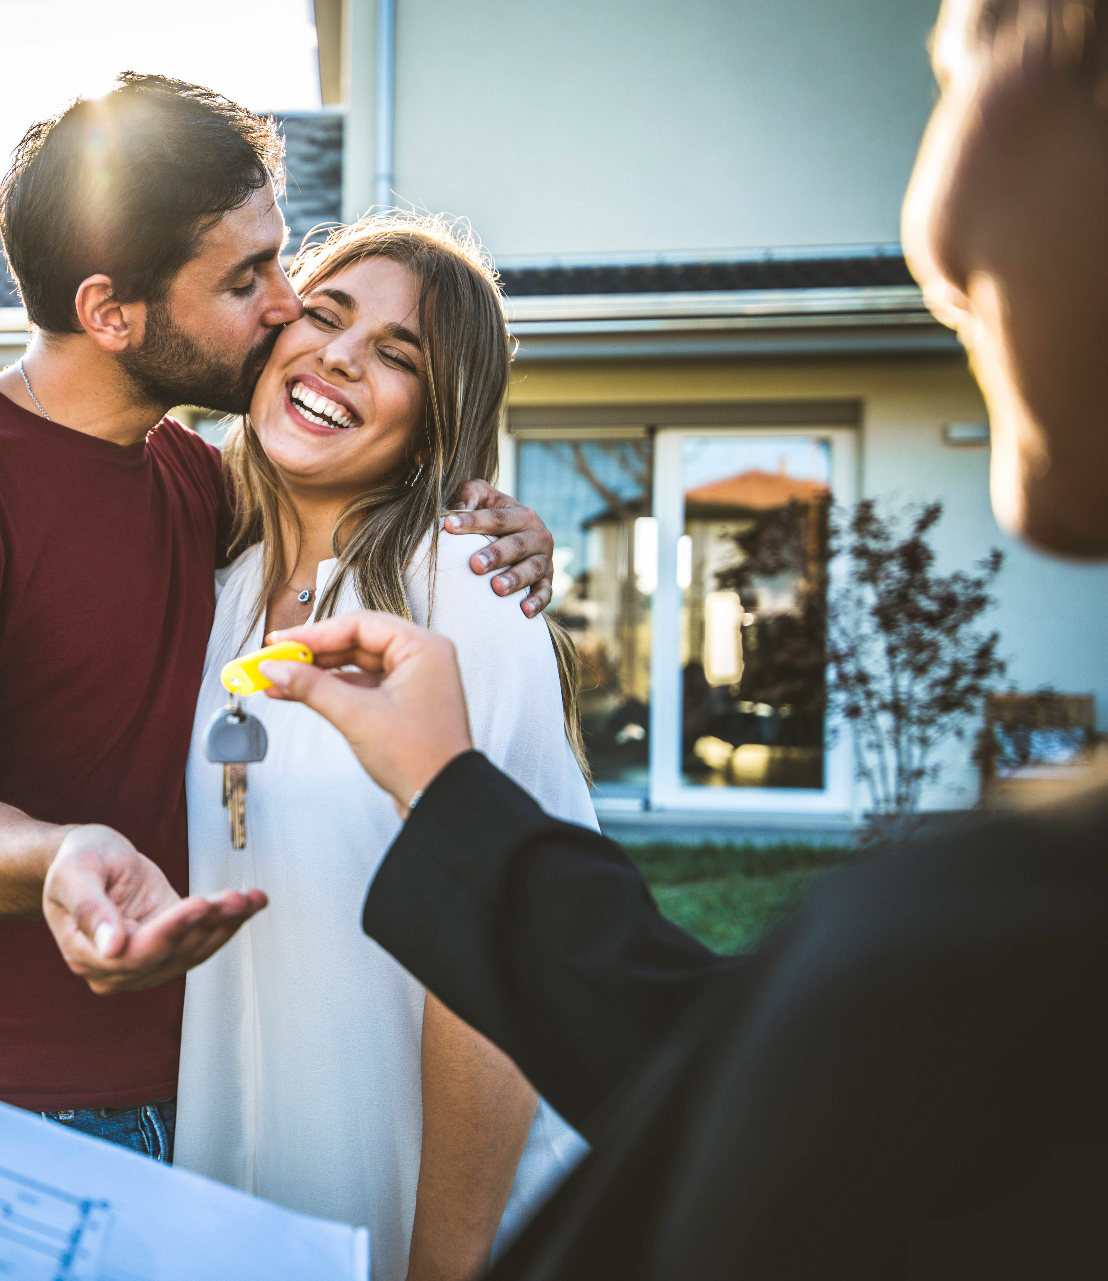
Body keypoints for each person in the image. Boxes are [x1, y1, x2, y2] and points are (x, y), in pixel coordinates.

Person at [250, 2, 1108, 1273]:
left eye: (954, 62)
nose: (932, 225)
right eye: (318, 316)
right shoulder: (196, 552)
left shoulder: (470, 591)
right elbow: (742, 1064)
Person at [0, 73, 558, 1159]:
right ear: (111, 313)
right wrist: (31, 856)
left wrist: (483, 515)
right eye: (247, 278)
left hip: (214, 1094)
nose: (284, 303)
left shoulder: (202, 488)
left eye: (281, 258)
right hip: (3, 1099)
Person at [172, 213, 592, 1281]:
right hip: (245, 1206)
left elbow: (504, 969)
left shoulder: (472, 600)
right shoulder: (211, 588)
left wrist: (440, 1268)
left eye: (398, 355)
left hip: (439, 1217)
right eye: (323, 314)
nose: (340, 357)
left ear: (434, 419)